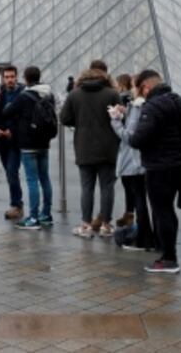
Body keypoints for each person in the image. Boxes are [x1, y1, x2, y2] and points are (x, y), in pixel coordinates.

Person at [129, 70, 181, 274]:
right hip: (177, 163)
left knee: (161, 211)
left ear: (146, 86)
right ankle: (168, 254)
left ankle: (168, 258)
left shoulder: (153, 106)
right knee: (168, 210)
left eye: (138, 88)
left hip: (158, 166)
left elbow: (138, 139)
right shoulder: (179, 101)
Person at [59, 60, 121, 239]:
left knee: (86, 187)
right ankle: (106, 225)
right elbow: (119, 119)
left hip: (84, 145)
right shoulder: (112, 93)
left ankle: (85, 225)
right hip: (108, 146)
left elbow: (64, 118)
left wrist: (80, 122)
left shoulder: (75, 94)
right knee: (107, 187)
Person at [4, 66, 56, 230]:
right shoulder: (49, 94)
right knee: (45, 179)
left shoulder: (24, 96)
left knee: (32, 180)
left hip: (28, 143)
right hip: (44, 142)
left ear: (25, 79)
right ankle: (46, 214)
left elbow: (7, 112)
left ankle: (33, 217)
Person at [109, 82, 155, 251]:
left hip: (133, 161)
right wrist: (126, 112)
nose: (132, 90)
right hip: (145, 160)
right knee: (143, 198)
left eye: (135, 86)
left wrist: (115, 121)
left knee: (139, 199)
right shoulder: (150, 105)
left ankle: (143, 239)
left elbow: (129, 136)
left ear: (142, 88)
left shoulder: (138, 106)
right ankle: (148, 237)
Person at [0, 66, 25, 220]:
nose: (10, 79)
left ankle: (16, 204)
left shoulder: (23, 94)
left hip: (16, 140)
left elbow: (24, 117)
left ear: (16, 77)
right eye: (7, 77)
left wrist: (12, 131)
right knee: (9, 172)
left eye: (12, 76)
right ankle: (17, 202)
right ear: (3, 79)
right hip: (2, 141)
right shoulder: (0, 95)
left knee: (12, 171)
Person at [114, 74, 135, 228]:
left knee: (130, 183)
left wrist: (117, 118)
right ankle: (129, 213)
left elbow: (127, 128)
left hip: (128, 146)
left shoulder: (123, 98)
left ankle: (130, 214)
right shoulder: (132, 101)